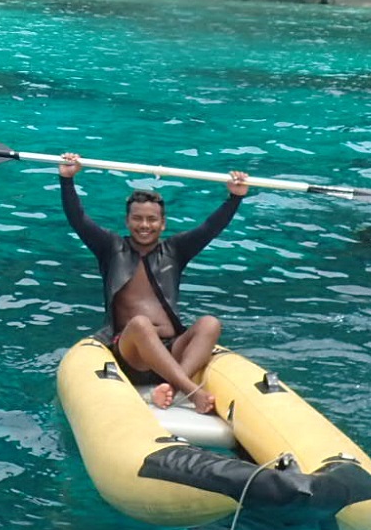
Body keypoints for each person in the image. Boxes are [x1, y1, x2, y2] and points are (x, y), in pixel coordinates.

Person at [58, 153, 248, 415]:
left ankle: (169, 386)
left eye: (151, 220)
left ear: (162, 223)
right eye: (137, 219)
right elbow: (78, 219)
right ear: (127, 221)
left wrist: (235, 197)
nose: (144, 225)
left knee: (210, 323)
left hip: (172, 350)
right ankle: (191, 391)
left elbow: (209, 228)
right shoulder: (111, 248)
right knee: (140, 323)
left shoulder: (175, 250)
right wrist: (67, 180)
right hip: (132, 353)